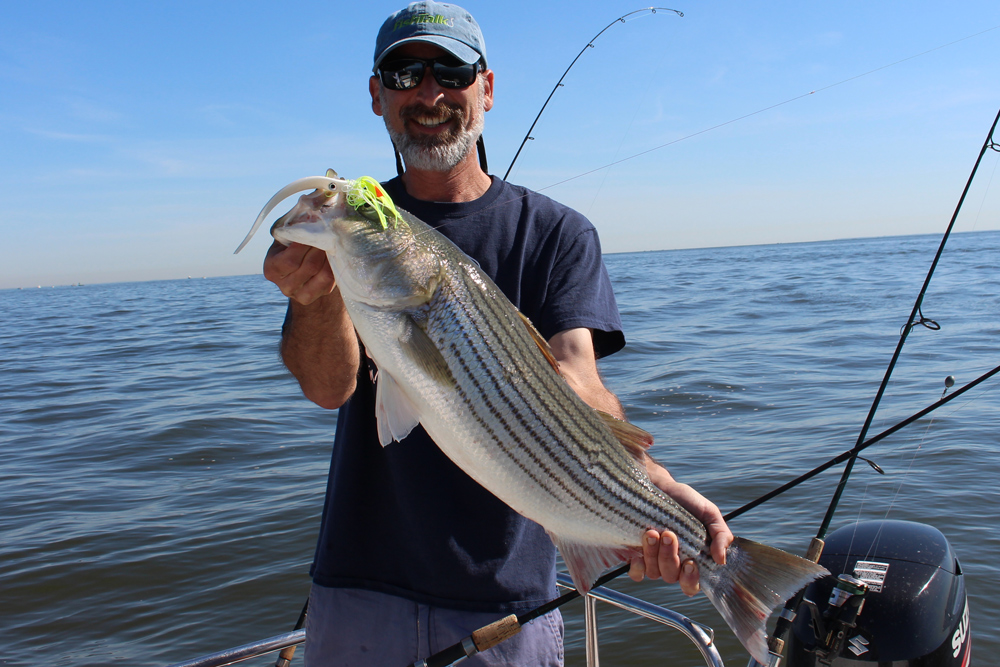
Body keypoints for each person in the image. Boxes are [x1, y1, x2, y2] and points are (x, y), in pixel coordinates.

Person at [262, 3, 733, 665]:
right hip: (357, 587)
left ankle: (739, 582)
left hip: (505, 603)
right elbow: (329, 387)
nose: (429, 92)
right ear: (376, 95)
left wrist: (648, 483)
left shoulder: (557, 234)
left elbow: (579, 378)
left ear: (485, 89)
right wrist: (313, 299)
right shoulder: (355, 240)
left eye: (451, 71)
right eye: (403, 73)